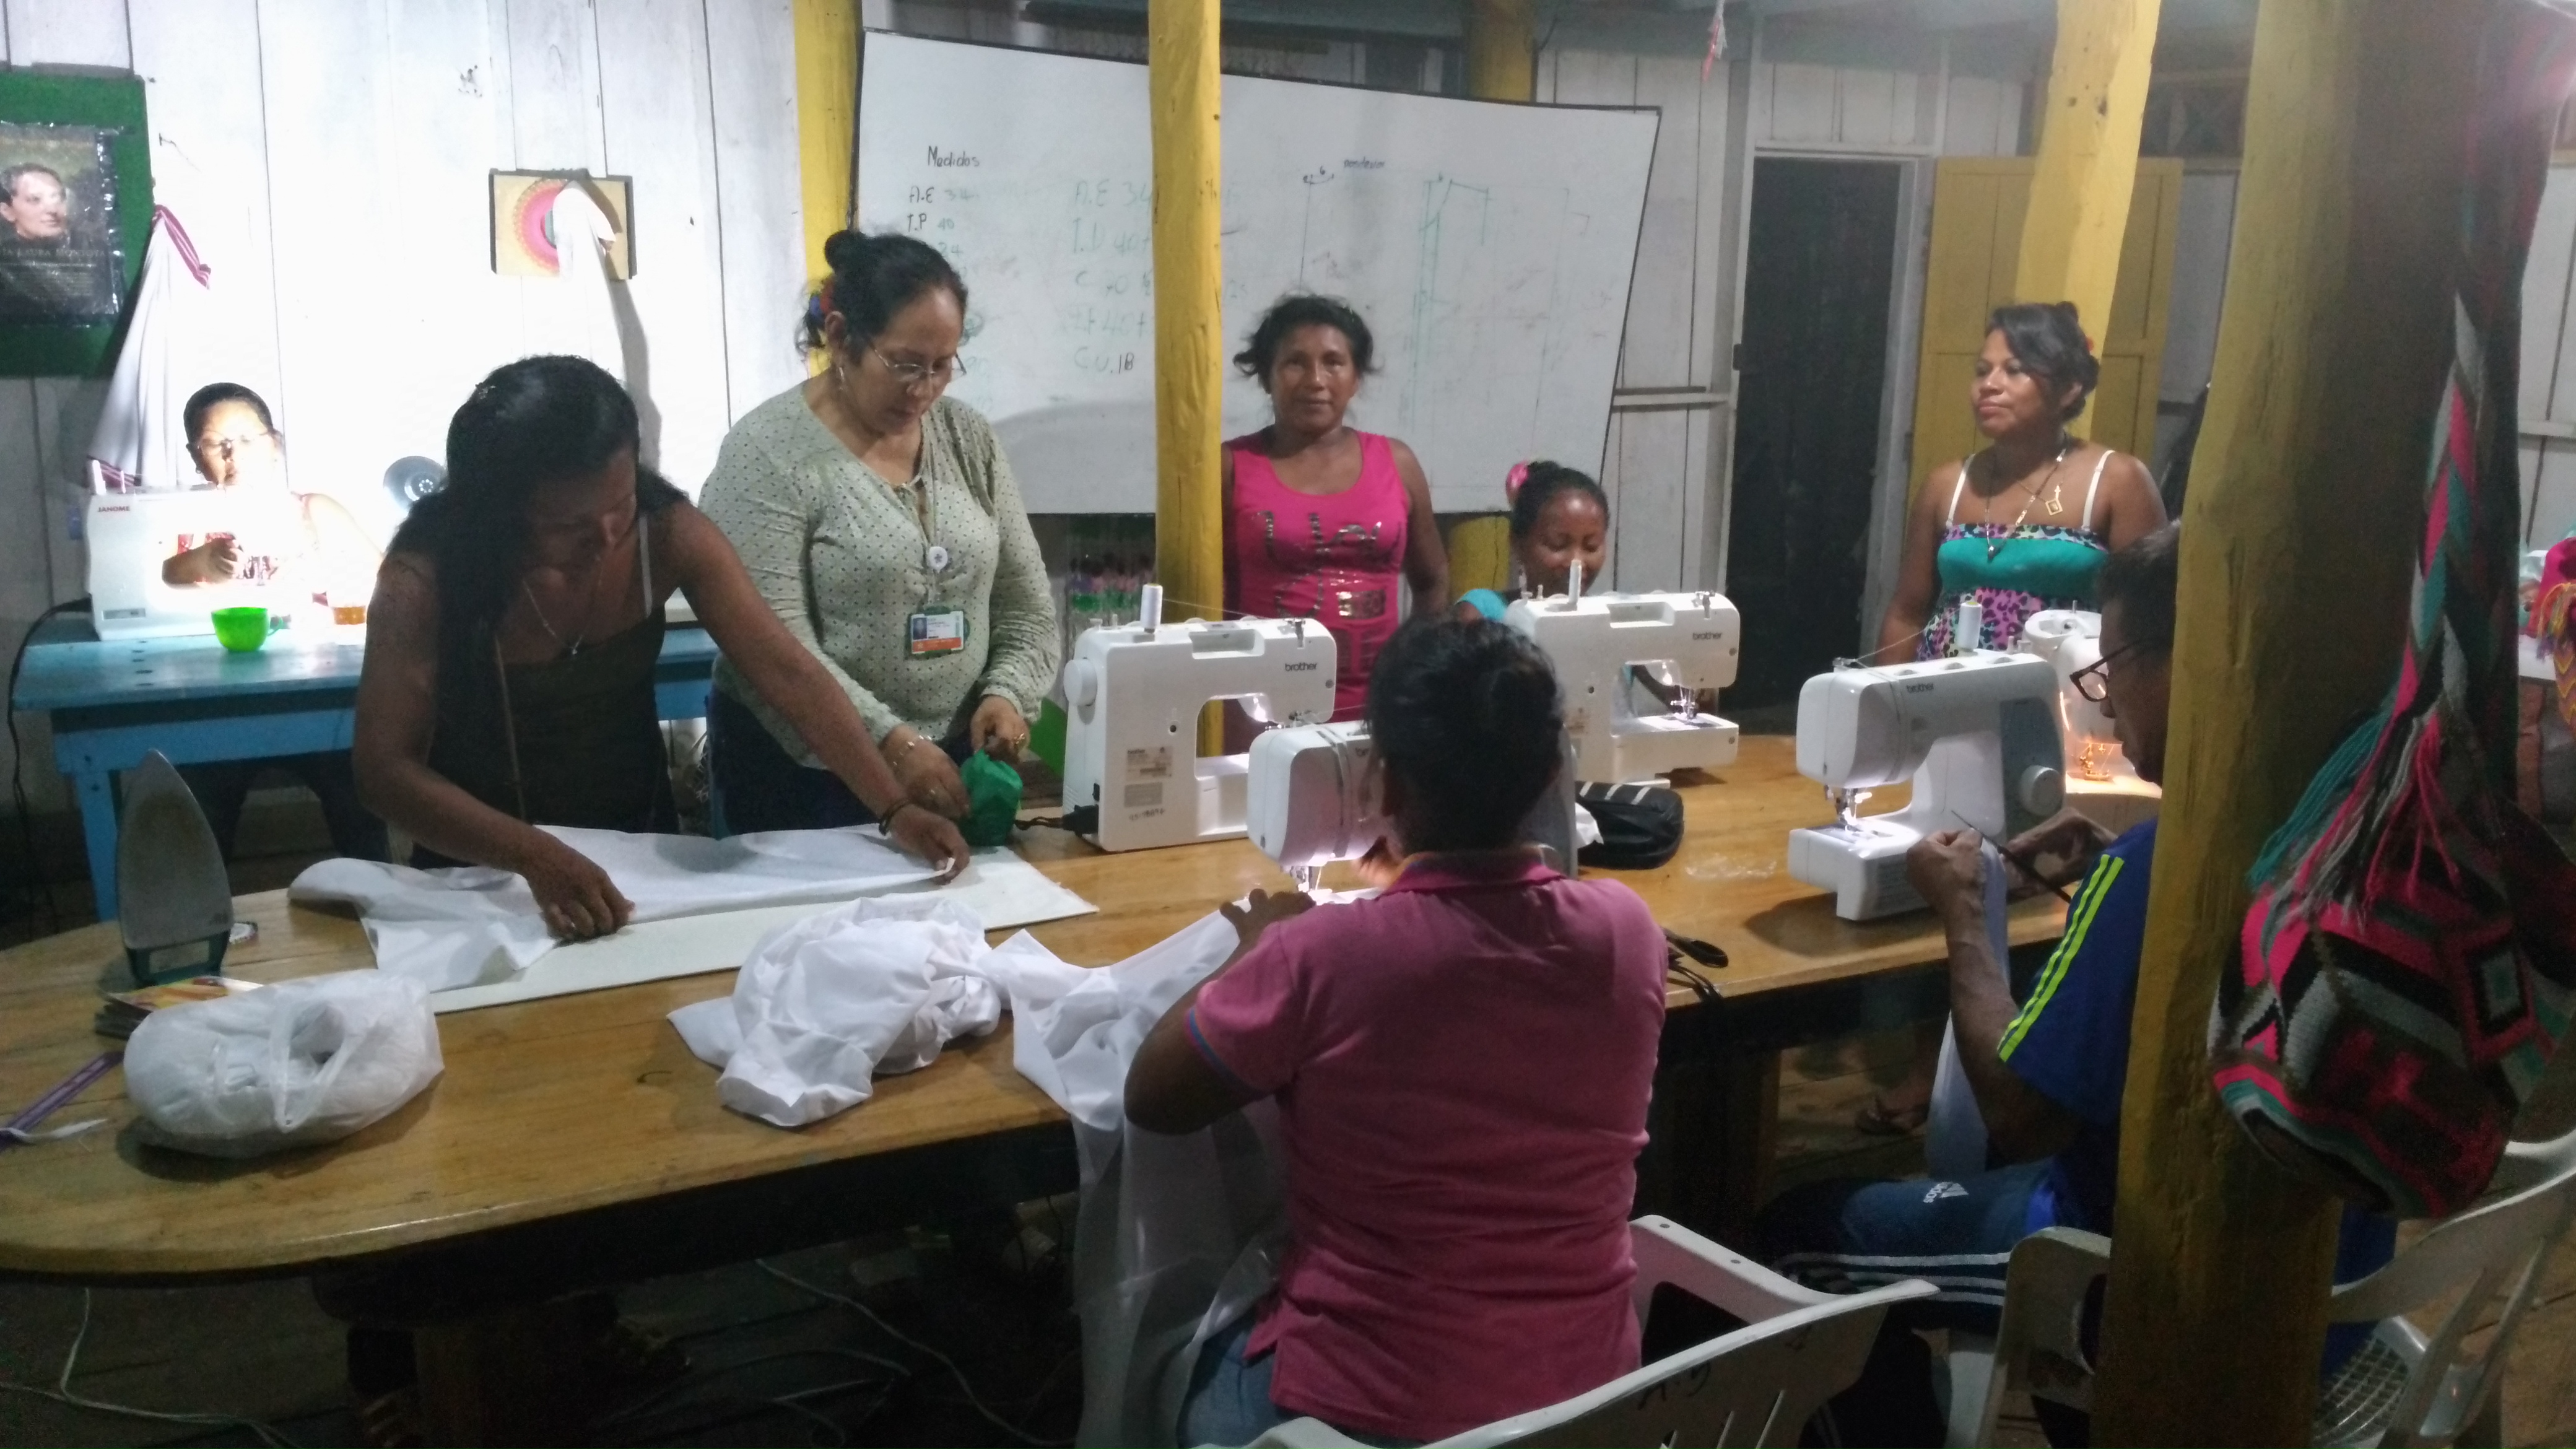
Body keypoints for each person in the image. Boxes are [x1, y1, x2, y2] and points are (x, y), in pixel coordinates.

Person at [1756, 524, 2391, 1447]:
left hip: (2141, 1279)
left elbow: (2019, 1116)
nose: (2106, 696)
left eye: (2116, 662)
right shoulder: (2340, 838)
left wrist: (1963, 917)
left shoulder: (2159, 870)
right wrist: (2111, 884)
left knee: (1792, 1237)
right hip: (2344, 1276)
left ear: (2195, 660)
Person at [1126, 617, 1666, 1447]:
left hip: (1361, 1415)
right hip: (1584, 1403)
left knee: (1171, 1372)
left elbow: (1151, 1096)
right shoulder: (1628, 935)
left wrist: (1252, 949)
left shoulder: (1321, 956)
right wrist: (1429, 880)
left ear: (1379, 779)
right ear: (1554, 775)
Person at [354, 355, 967, 941]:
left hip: (638, 861)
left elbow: (789, 673)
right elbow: (384, 772)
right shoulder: (424, 581)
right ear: (498, 514)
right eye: (568, 527)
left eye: (619, 505)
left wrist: (892, 808)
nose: (606, 536)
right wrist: (531, 854)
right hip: (477, 878)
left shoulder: (669, 534)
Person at [1860, 302, 2168, 1136]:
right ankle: (1935, 1055)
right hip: (1952, 716)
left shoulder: (2116, 480)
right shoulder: (1949, 484)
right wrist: (1890, 712)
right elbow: (1907, 606)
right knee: (1941, 867)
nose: (1990, 385)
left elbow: (2142, 621)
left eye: (2015, 370)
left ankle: (2026, 1062)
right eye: (1983, 368)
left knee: (2039, 887)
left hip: (2060, 723)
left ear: (2067, 387)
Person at [699, 231, 1057, 833]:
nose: (924, 389)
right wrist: (890, 742)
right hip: (806, 777)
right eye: (904, 364)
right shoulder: (767, 456)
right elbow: (777, 654)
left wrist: (1005, 693)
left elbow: (1025, 606)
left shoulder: (967, 439)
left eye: (942, 366)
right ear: (841, 338)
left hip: (950, 768)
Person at [162, 383, 391, 862]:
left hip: (312, 695)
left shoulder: (313, 512)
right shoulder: (180, 522)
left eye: (248, 438)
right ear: (194, 455)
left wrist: (332, 572)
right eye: (215, 443)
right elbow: (158, 576)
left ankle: (379, 906)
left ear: (275, 444)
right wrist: (197, 563)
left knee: (357, 792)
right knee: (200, 810)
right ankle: (206, 922)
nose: (233, 453)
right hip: (215, 705)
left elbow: (389, 584)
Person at [1224, 294, 1447, 731]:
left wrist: (1415, 676)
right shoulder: (1229, 467)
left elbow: (1432, 579)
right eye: (1295, 363)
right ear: (1267, 377)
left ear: (1356, 378)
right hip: (1258, 717)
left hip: (1378, 715)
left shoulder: (1397, 463)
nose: (1315, 379)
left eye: (1333, 362)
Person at [1453, 460, 1608, 622]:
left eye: (1591, 547)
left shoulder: (1603, 619)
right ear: (1519, 544)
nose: (1577, 562)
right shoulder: (1482, 615)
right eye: (1558, 545)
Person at [1, 163, 67, 245]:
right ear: (7, 211)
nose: (53, 210)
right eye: (35, 200)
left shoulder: (85, 244)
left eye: (58, 199)